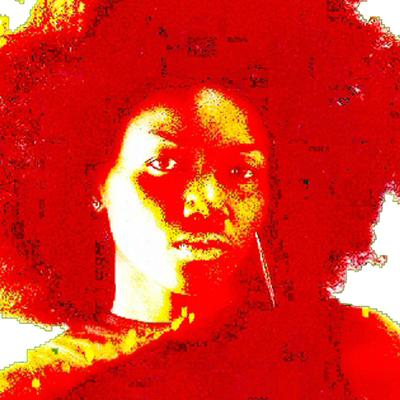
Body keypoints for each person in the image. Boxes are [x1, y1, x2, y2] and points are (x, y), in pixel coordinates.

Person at [0, 0, 399, 398]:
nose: (206, 202)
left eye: (240, 172)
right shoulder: (45, 389)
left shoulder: (353, 352)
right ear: (93, 182)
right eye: (164, 164)